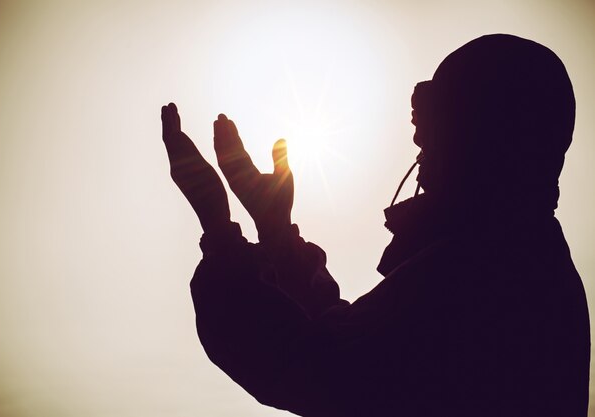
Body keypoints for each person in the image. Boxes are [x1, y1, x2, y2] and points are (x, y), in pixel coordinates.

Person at [160, 34, 590, 416]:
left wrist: (220, 232)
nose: (421, 154)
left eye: (435, 135)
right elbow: (344, 341)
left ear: (490, 143)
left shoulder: (486, 270)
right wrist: (274, 231)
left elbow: (315, 367)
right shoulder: (519, 261)